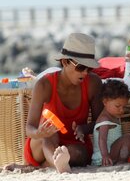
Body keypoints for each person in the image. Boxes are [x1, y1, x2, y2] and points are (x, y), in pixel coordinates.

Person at [22, 33, 103, 173]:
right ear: (65, 62)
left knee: (78, 152)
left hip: (74, 146)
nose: (85, 73)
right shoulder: (44, 85)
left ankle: (49, 166)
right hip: (42, 144)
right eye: (81, 67)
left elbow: (100, 122)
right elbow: (29, 128)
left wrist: (84, 128)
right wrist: (39, 132)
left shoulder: (93, 83)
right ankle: (57, 164)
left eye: (89, 68)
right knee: (50, 134)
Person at [92, 79, 130, 166]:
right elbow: (102, 139)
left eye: (124, 107)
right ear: (105, 102)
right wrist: (105, 156)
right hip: (104, 157)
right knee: (128, 139)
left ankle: (121, 159)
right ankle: (121, 161)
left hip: (109, 155)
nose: (122, 110)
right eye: (118, 106)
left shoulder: (113, 116)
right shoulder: (105, 119)